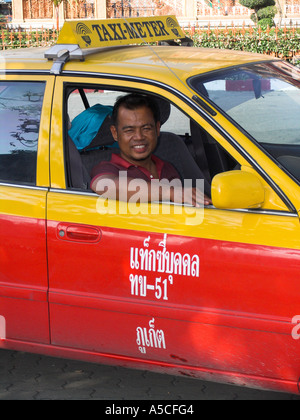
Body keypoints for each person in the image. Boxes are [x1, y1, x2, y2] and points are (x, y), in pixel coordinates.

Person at [90, 94, 212, 207]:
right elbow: (106, 185)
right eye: (129, 130)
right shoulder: (107, 168)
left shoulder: (167, 167)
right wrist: (171, 192)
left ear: (157, 129)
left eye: (146, 128)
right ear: (115, 133)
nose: (139, 137)